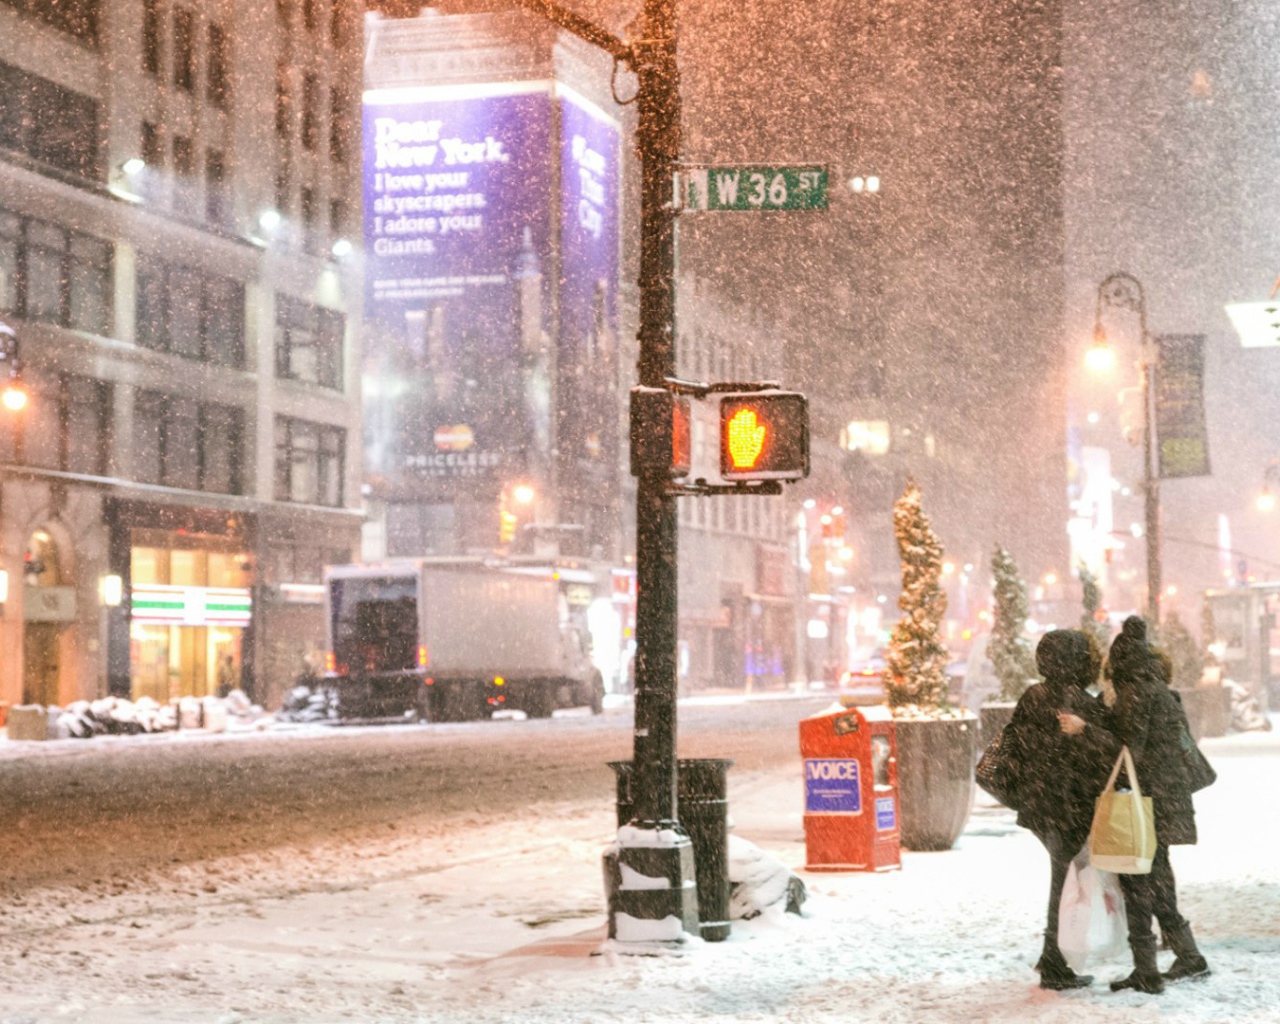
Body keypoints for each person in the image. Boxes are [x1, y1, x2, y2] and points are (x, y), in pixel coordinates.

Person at [1061, 615, 1211, 993]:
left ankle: (1147, 970)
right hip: (1165, 800)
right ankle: (1188, 956)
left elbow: (1127, 749)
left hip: (1146, 804)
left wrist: (1085, 729)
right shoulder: (1156, 688)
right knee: (1157, 879)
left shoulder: (1135, 693)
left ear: (1118, 663)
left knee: (1138, 882)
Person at [1007, 629, 1118, 990]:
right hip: (1071, 806)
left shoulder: (1032, 696)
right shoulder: (1081, 702)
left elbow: (1017, 745)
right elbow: (1106, 753)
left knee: (1062, 876)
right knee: (1066, 881)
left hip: (1041, 804)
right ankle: (1055, 963)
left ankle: (1052, 955)